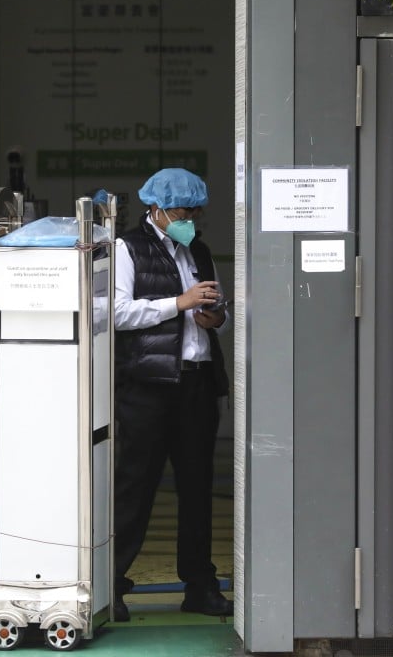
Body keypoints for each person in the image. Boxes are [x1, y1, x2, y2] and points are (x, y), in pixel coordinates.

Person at [112, 168, 232, 621]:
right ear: (157, 209)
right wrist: (178, 304)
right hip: (149, 385)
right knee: (135, 487)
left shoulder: (197, 249)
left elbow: (216, 307)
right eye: (183, 211)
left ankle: (200, 586)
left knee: (197, 489)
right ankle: (114, 583)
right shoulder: (128, 248)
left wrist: (213, 316)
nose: (191, 219)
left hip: (198, 381)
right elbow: (117, 312)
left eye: (196, 212)